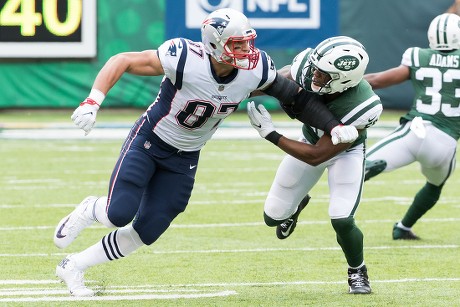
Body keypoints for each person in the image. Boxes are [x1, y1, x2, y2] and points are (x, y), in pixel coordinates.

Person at [53, 8, 359, 297]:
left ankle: (74, 266)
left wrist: (333, 126)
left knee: (149, 229)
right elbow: (122, 60)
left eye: (248, 43)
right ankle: (89, 208)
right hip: (149, 141)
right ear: (216, 45)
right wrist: (93, 101)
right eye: (238, 45)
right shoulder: (183, 57)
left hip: (186, 156)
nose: (247, 51)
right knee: (117, 214)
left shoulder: (256, 69)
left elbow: (297, 98)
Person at [247, 36, 382, 294]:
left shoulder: (364, 106)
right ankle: (296, 206)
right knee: (271, 217)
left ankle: (358, 271)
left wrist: (271, 134)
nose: (313, 76)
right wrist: (234, 92)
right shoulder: (306, 69)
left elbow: (316, 155)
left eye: (322, 75)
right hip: (309, 140)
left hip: (345, 153)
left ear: (343, 80)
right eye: (315, 68)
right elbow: (279, 81)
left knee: (341, 217)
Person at [364, 13, 460, 240]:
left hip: (416, 131)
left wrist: (341, 83)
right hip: (446, 144)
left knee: (358, 165)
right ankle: (403, 227)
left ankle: (304, 195)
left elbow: (378, 80)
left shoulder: (418, 56)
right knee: (435, 186)